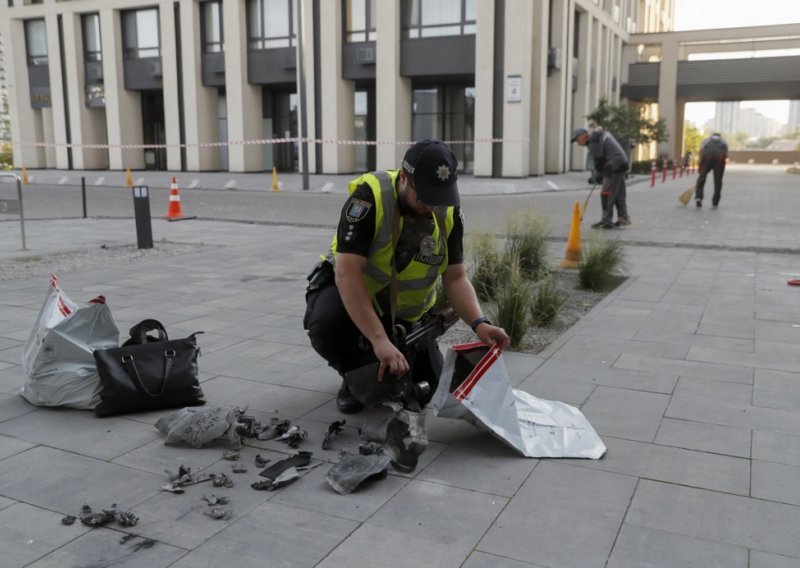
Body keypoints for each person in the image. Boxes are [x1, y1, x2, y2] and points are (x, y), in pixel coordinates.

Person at [303, 139, 510, 414]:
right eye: (423, 197)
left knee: (423, 390)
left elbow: (455, 277)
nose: (431, 207)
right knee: (328, 324)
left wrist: (480, 323)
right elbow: (347, 274)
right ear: (404, 178)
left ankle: (380, 362)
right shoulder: (370, 197)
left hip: (408, 320)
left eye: (439, 198)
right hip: (359, 303)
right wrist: (379, 340)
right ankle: (352, 375)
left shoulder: (448, 211)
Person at [571, 127, 631, 229]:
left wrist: (598, 176)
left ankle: (606, 221)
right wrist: (600, 174)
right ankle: (623, 217)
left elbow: (598, 161)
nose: (577, 143)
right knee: (618, 193)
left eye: (577, 139)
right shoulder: (598, 137)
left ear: (583, 136)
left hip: (613, 166)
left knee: (606, 194)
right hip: (621, 162)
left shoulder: (592, 142)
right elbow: (602, 158)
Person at [695, 133, 728, 208]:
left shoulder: (706, 141)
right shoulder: (724, 142)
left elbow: (701, 151)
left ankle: (698, 197)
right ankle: (715, 201)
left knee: (701, 179)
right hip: (719, 161)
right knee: (718, 181)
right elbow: (725, 155)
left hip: (707, 159)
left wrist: (700, 164)